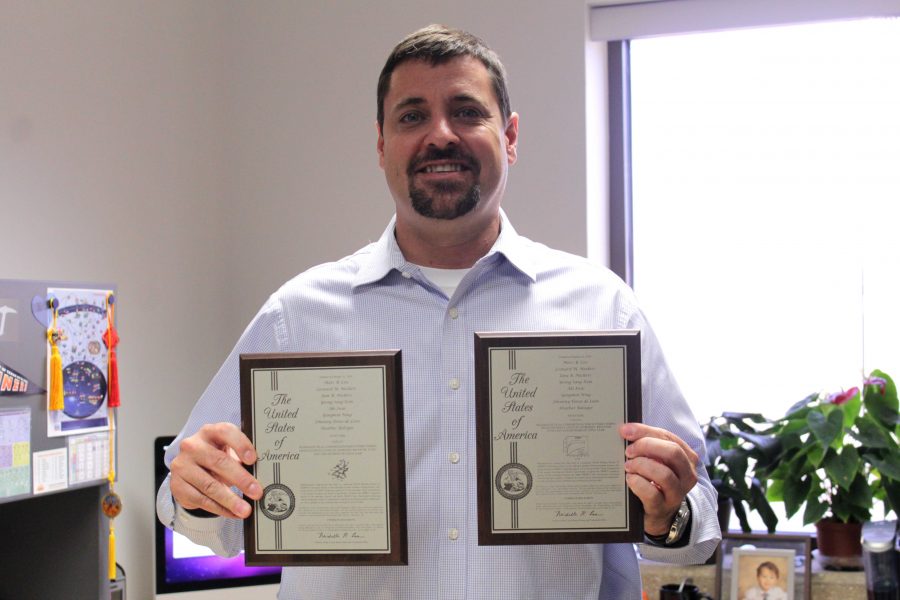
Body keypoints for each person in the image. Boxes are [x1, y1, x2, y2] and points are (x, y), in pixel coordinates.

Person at [156, 24, 720, 599]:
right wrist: (193, 488)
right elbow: (198, 518)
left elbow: (699, 522)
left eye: (467, 112)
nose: (440, 135)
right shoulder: (296, 316)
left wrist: (667, 513)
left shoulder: (603, 307)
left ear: (512, 137)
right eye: (411, 116)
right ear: (381, 144)